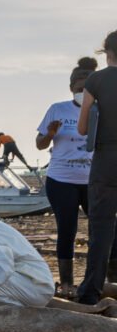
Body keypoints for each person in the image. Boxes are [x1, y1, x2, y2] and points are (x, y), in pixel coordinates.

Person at [35, 57, 101, 297]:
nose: (81, 93)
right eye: (78, 89)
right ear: (71, 88)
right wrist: (50, 132)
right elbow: (40, 144)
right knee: (67, 230)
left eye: (86, 89)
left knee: (100, 230)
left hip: (93, 180)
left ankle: (97, 281)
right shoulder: (57, 109)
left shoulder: (100, 109)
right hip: (61, 181)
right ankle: (67, 284)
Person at [76, 31, 117, 304]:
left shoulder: (96, 79)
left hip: (105, 162)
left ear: (105, 51)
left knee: (100, 230)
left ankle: (91, 293)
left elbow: (82, 128)